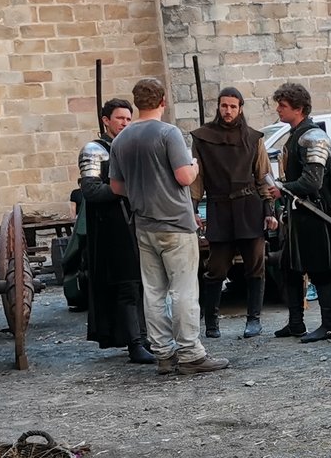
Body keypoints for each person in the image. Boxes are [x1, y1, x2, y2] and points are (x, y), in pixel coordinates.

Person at [109, 77, 227, 373]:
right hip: (175, 222)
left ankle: (163, 353)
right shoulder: (168, 133)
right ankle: (190, 353)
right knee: (184, 290)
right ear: (163, 101)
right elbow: (184, 177)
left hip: (143, 224)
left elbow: (115, 186)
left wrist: (142, 189)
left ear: (136, 103)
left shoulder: (121, 139)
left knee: (153, 292)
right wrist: (195, 166)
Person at [270, 82, 331, 342]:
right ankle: (295, 323)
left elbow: (312, 183)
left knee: (320, 268)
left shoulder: (313, 137)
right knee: (289, 266)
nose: (278, 110)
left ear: (299, 108)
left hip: (316, 214)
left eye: (283, 106)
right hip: (298, 214)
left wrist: (283, 189)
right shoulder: (295, 135)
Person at [67, 98, 152, 363]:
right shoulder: (94, 150)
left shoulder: (130, 145)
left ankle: (144, 337)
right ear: (106, 120)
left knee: (141, 284)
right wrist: (124, 190)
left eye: (128, 119)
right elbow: (90, 191)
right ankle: (134, 343)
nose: (125, 123)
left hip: (136, 223)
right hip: (110, 227)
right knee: (126, 284)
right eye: (119, 119)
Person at [191, 87, 276, 339]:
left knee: (255, 265)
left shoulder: (253, 137)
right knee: (216, 267)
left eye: (232, 106)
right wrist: (192, 209)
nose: (227, 111)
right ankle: (212, 322)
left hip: (250, 206)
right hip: (219, 207)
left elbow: (263, 176)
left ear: (240, 108)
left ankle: (254, 319)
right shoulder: (203, 138)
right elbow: (198, 179)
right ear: (218, 107)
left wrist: (269, 209)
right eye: (223, 106)